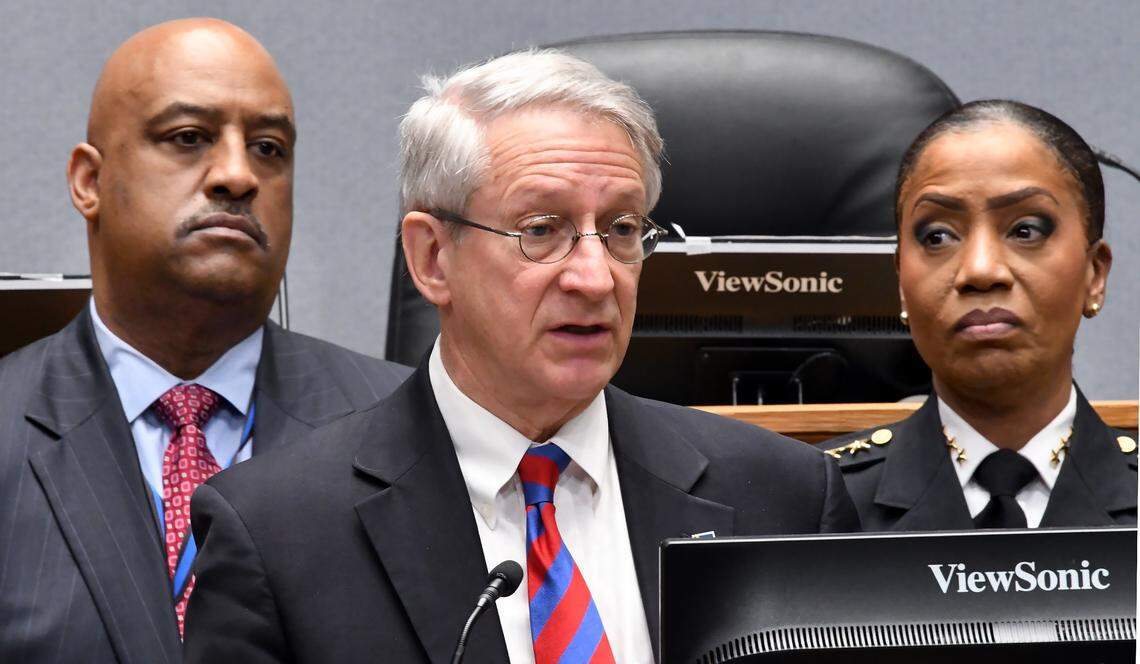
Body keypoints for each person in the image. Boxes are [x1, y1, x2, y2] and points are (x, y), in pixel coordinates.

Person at [183, 50, 858, 663]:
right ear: (432, 258)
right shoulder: (277, 533)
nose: (596, 277)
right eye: (542, 231)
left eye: (622, 229)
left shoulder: (785, 499)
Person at [0, 18, 410, 663]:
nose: (238, 175)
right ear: (88, 182)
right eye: (189, 138)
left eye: (270, 148)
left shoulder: (410, 428)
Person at [825, 100, 1134, 531]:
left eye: (1025, 230)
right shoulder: (821, 504)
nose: (980, 270)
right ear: (900, 282)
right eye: (937, 236)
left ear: (1094, 274)